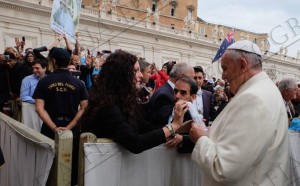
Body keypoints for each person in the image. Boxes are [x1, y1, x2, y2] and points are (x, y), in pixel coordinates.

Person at [189, 40, 290, 186]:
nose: (223, 76)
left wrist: (200, 139)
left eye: (225, 68)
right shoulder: (265, 89)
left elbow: (223, 168)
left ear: (242, 65)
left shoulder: (253, 99)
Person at [80, 50, 188, 154]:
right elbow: (135, 143)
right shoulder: (107, 106)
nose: (140, 75)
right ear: (121, 74)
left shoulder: (126, 101)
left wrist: (177, 129)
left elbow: (145, 127)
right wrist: (173, 127)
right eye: (136, 71)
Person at [20, 59, 47, 131]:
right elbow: (23, 96)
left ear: (44, 68)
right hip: (32, 111)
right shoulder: (27, 79)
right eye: (33, 68)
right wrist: (38, 102)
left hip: (47, 112)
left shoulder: (49, 79)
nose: (34, 70)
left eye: (37, 68)